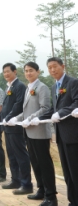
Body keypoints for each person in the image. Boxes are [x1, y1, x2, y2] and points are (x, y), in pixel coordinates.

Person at [14, 62, 57, 206]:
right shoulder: (28, 88)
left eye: (31, 70)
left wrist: (30, 119)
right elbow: (26, 110)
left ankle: (51, 196)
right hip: (29, 131)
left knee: (45, 164)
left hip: (40, 132)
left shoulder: (42, 87)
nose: (28, 73)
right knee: (35, 163)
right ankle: (41, 190)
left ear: (38, 72)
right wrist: (17, 118)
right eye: (26, 71)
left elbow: (45, 109)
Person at [44, 57, 78, 206]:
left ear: (62, 66)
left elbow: (77, 102)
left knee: (75, 170)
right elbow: (53, 109)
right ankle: (73, 201)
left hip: (72, 134)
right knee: (67, 172)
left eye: (55, 66)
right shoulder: (54, 87)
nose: (52, 70)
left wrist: (62, 112)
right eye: (49, 67)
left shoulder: (73, 82)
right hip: (60, 135)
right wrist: (36, 118)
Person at [0, 63, 33, 195]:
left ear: (15, 72)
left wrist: (8, 117)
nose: (6, 74)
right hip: (7, 126)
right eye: (4, 72)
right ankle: (15, 180)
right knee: (12, 155)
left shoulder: (19, 86)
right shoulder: (9, 86)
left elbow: (19, 104)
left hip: (15, 126)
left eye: (8, 71)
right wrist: (1, 118)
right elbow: (5, 105)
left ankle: (26, 184)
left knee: (21, 155)